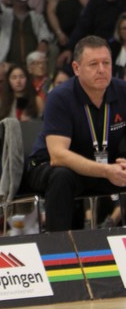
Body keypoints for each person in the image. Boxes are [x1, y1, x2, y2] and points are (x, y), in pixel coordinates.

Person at [26, 36, 126, 232]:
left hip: (104, 166)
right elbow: (58, 156)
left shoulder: (122, 91)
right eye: (93, 64)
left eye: (106, 63)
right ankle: (57, 244)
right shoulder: (60, 97)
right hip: (52, 166)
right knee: (62, 175)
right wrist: (106, 170)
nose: (101, 69)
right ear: (76, 68)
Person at [57, 0, 126, 66]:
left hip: (121, 44)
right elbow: (82, 27)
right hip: (98, 45)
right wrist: (69, 48)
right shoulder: (96, 2)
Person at [0, 0, 54, 66]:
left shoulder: (36, 16)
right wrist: (3, 4)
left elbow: (45, 33)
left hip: (32, 63)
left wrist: (43, 42)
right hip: (9, 64)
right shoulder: (5, 14)